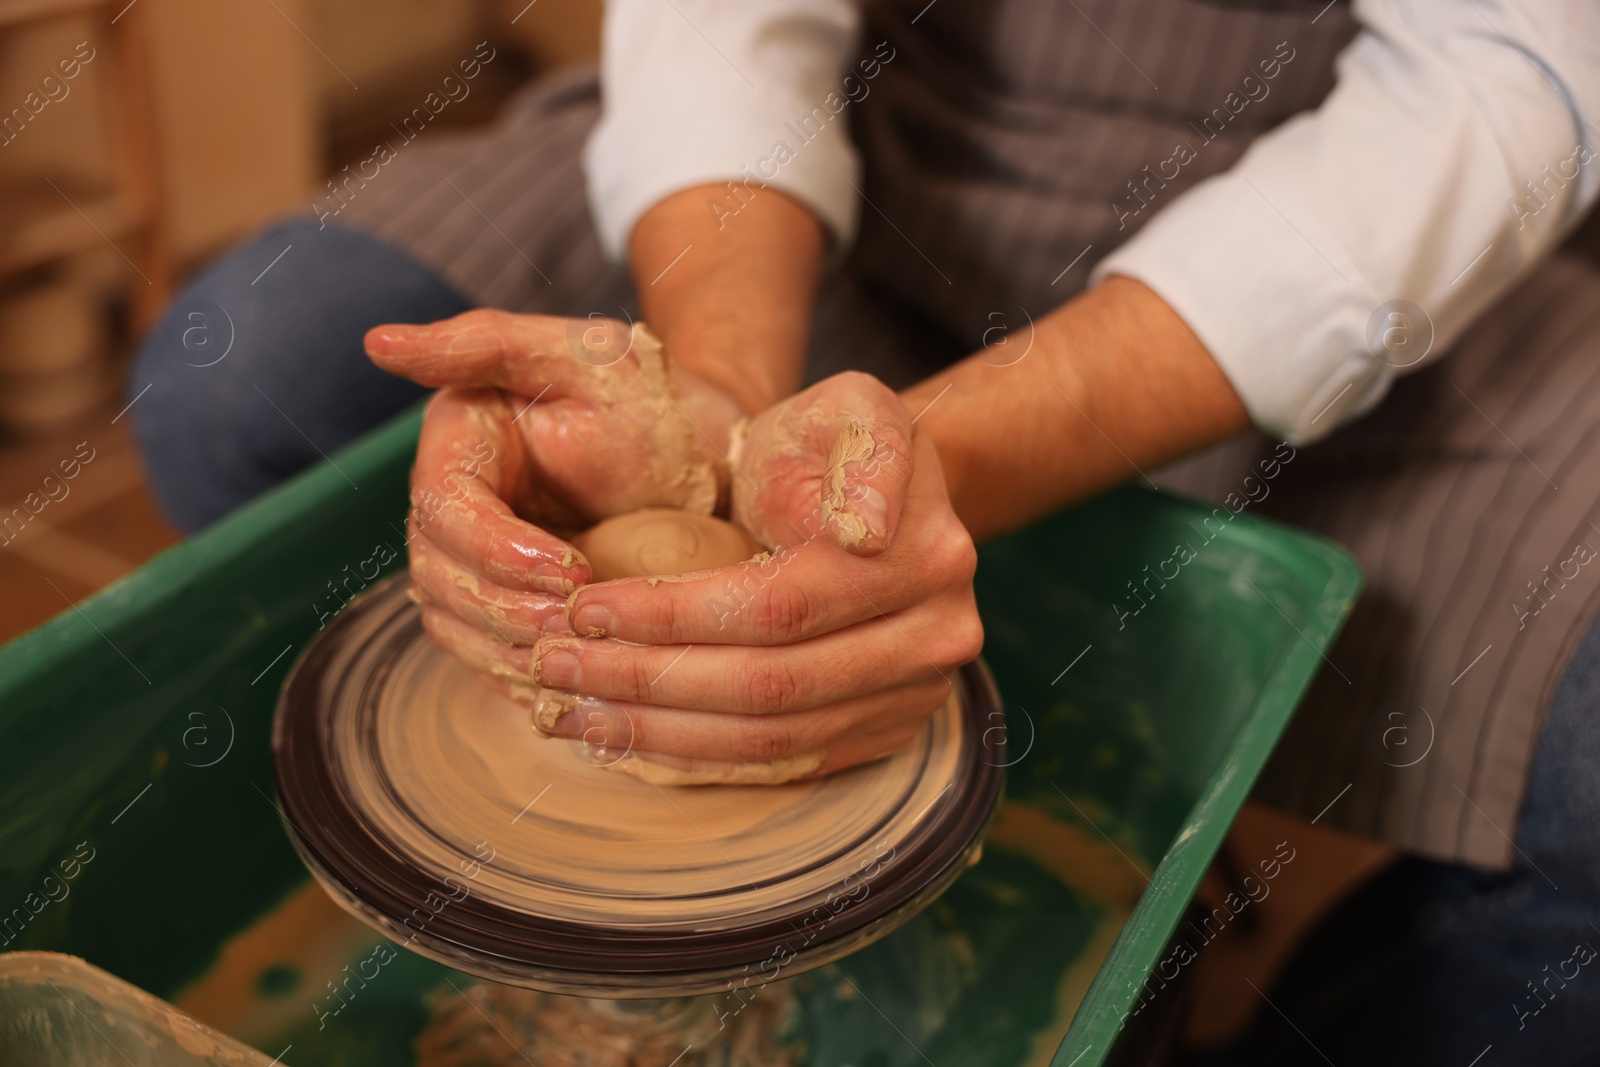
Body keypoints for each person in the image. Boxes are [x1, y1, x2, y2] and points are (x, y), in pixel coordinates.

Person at [130, 0, 1600, 1061]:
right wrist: (713, 380)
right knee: (249, 376)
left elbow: (1501, 76)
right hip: (841, 152)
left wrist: (918, 466)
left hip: (1316, 231)